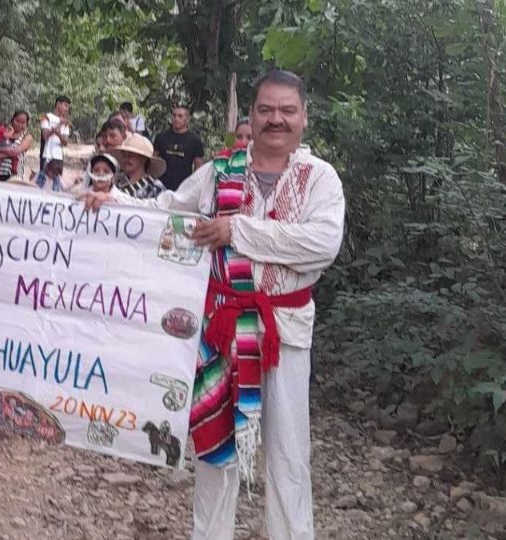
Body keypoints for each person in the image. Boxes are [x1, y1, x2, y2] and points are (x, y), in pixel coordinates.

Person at [86, 70, 345, 540]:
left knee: (288, 452)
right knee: (215, 448)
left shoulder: (319, 179)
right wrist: (115, 203)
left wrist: (236, 230)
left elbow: (322, 243)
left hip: (284, 328)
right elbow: (171, 210)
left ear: (304, 117)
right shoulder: (222, 171)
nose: (276, 119)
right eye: (266, 109)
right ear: (251, 114)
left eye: (287, 110)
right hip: (221, 327)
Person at [154, 105, 205, 190]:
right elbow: (153, 160)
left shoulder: (195, 140)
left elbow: (199, 167)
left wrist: (195, 187)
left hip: (184, 188)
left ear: (187, 119)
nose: (176, 118)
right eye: (174, 115)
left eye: (180, 116)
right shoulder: (161, 137)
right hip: (161, 186)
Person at [108, 134, 166, 199]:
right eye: (124, 155)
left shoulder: (155, 187)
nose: (126, 159)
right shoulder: (115, 181)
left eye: (131, 155)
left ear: (144, 158)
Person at [0, 111, 34, 181]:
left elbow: (15, 152)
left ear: (26, 124)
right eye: (17, 121)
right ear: (12, 120)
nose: (19, 124)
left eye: (23, 123)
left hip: (14, 177)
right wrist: (7, 150)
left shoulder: (27, 137)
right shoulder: (4, 131)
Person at [40, 96, 71, 173]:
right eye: (65, 105)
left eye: (68, 107)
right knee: (43, 181)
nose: (66, 109)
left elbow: (65, 142)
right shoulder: (46, 117)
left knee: (56, 182)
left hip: (59, 157)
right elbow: (45, 136)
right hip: (47, 155)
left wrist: (59, 134)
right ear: (58, 104)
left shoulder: (66, 122)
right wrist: (59, 125)